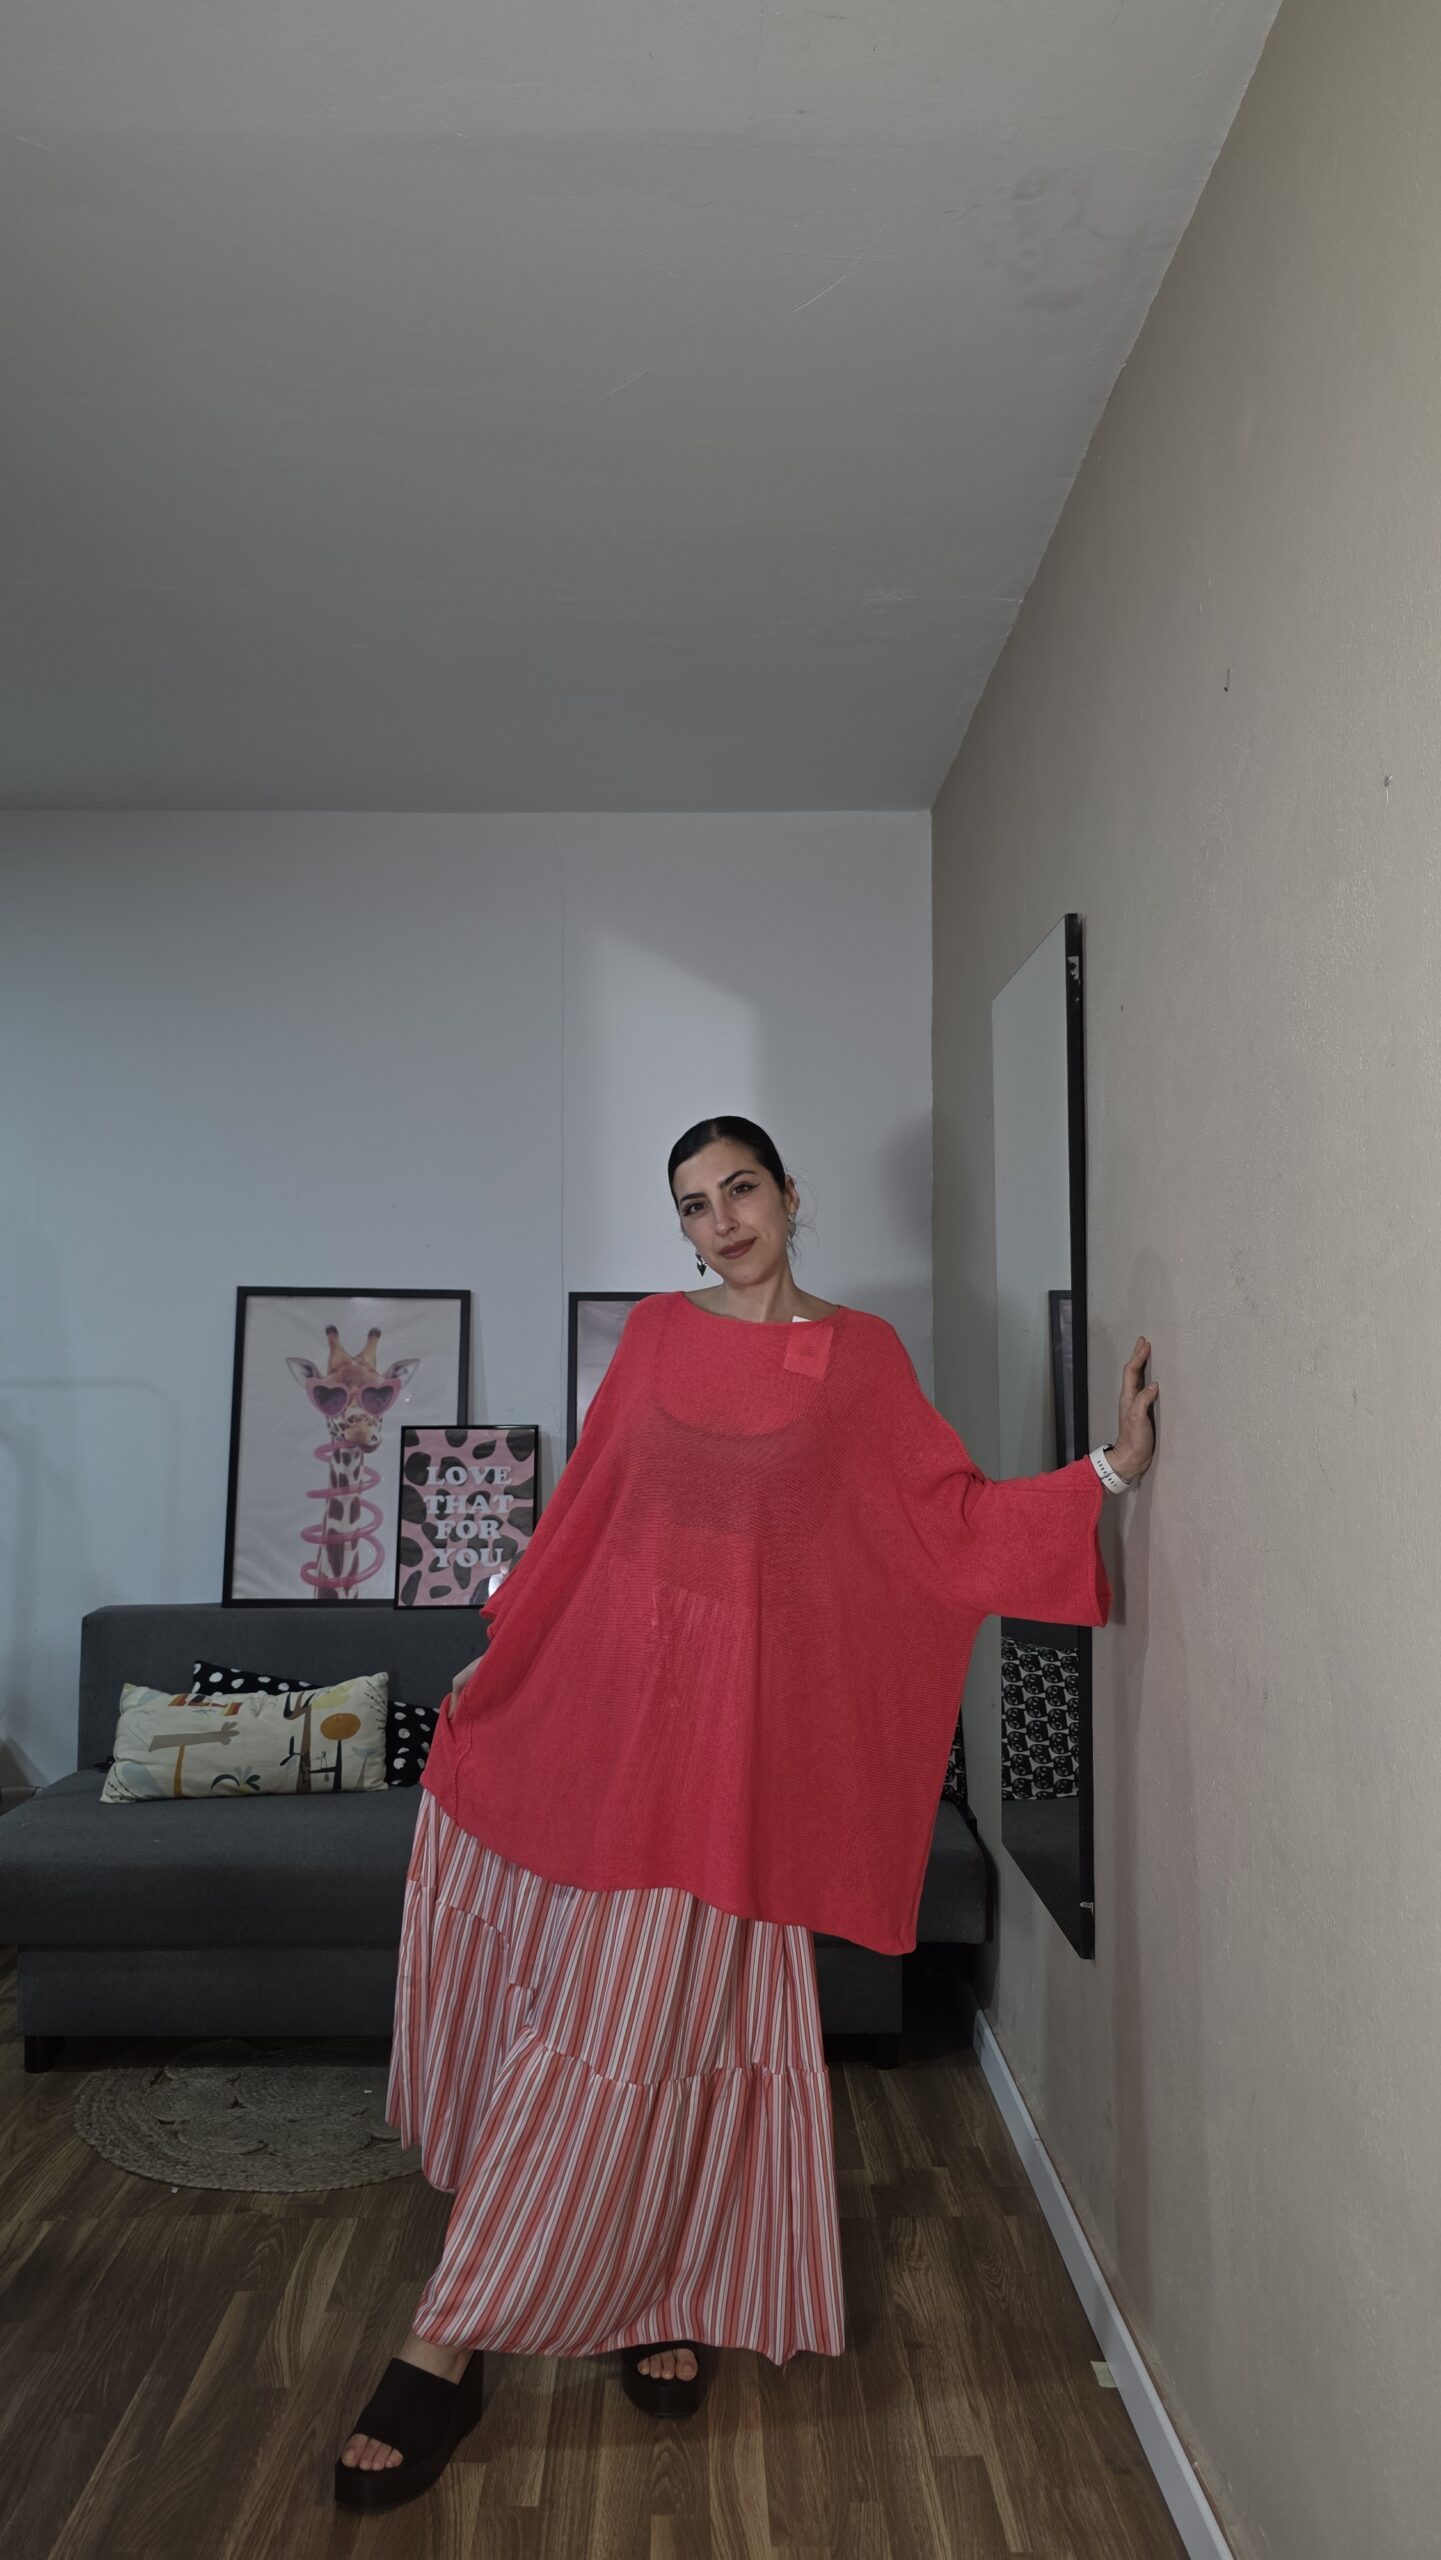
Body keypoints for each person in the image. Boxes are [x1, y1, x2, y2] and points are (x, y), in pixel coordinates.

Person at [336, 1116, 1158, 2509]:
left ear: (788, 1195)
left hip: (747, 1758)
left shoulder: (861, 1358)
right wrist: (511, 1647)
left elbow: (944, 1524)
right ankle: (467, 2335)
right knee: (604, 2027)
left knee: (688, 2029)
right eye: (693, 1205)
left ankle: (630, 2295)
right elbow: (589, 1515)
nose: (720, 1221)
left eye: (739, 1190)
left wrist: (1110, 1473)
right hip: (619, 1725)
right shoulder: (657, 1337)